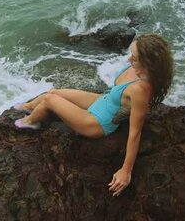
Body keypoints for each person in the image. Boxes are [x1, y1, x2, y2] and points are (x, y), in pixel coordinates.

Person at [13, 33, 175, 197]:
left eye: (134, 57)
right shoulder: (138, 69)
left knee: (49, 99)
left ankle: (30, 122)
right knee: (54, 91)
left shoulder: (141, 90)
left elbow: (135, 133)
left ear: (148, 63)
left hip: (97, 122)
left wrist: (125, 171)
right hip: (102, 100)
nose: (128, 60)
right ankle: (28, 106)